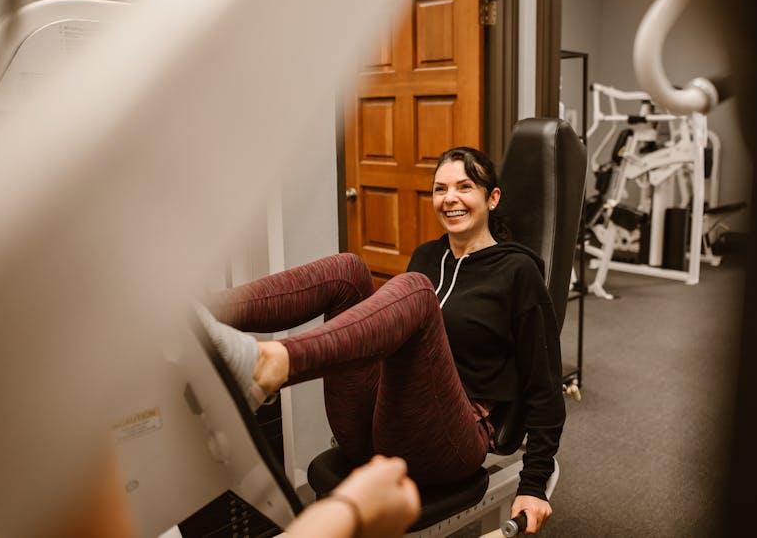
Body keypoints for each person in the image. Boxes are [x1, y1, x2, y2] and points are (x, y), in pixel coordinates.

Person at [199, 146, 565, 535]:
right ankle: (197, 314)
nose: (450, 198)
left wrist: (534, 484)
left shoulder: (517, 271)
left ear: (492, 198)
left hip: (451, 442)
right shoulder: (427, 256)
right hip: (381, 426)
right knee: (348, 270)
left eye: (465, 187)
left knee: (415, 290)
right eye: (440, 189)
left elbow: (544, 386)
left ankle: (270, 363)